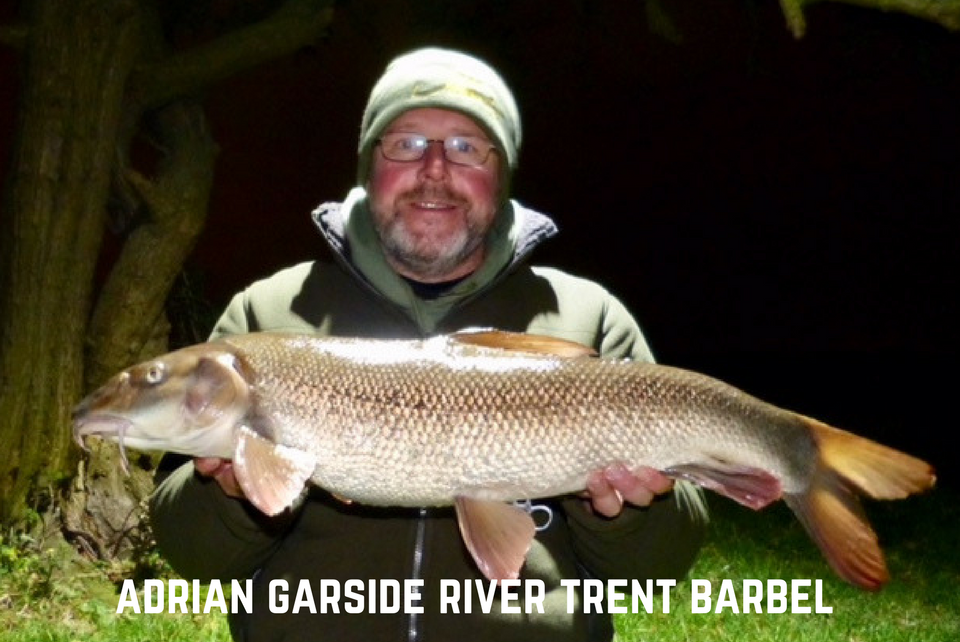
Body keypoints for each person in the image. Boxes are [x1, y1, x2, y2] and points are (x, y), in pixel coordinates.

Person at [150, 47, 708, 642]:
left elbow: (658, 570)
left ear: (504, 173)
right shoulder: (265, 318)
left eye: (467, 146)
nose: (435, 169)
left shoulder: (588, 321)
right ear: (370, 165)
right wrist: (234, 496)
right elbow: (193, 556)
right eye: (407, 142)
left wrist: (621, 512)